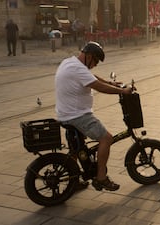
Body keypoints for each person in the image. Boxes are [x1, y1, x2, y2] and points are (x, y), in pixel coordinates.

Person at [55, 41, 134, 191]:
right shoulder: (78, 69)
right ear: (89, 56)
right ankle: (101, 178)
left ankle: (74, 180)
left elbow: (92, 77)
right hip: (77, 115)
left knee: (76, 149)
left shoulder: (70, 62)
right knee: (106, 138)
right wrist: (122, 91)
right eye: (96, 60)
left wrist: (112, 83)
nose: (96, 64)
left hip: (64, 114)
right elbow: (98, 86)